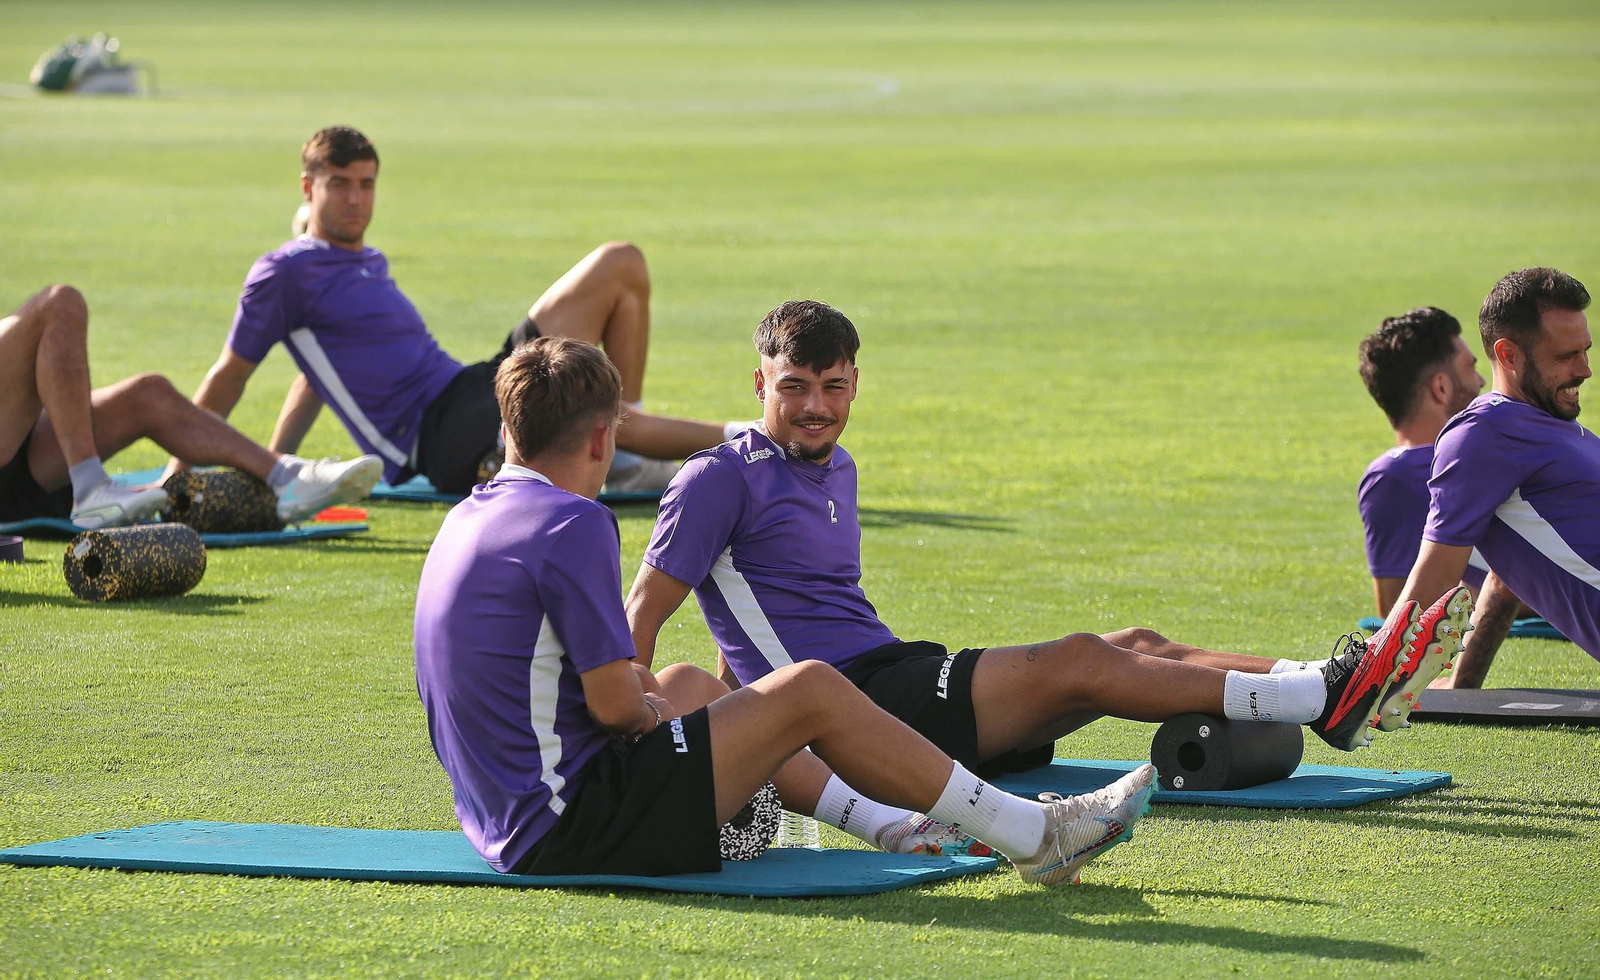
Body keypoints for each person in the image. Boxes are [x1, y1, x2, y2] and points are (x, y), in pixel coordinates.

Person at [413, 336, 1158, 887]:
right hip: (567, 826)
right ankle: (1036, 836)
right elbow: (610, 708)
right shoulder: (571, 522)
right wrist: (644, 715)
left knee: (693, 684)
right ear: (606, 436)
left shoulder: (467, 517)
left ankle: (893, 827)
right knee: (806, 688)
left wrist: (657, 706)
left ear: (508, 428)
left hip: (497, 818)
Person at [626, 300, 1474, 764]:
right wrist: (653, 741)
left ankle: (1334, 683)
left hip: (894, 673)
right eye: (795, 387)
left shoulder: (834, 468)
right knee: (1080, 660)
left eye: (834, 386)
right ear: (759, 382)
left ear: (856, 383)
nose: (816, 406)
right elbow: (640, 623)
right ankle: (1328, 695)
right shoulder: (718, 478)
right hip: (852, 708)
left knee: (1137, 641)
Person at [178, 125, 745, 497]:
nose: (356, 200)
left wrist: (283, 460)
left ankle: (624, 455)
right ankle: (752, 436)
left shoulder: (363, 259)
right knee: (591, 403)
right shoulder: (283, 274)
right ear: (308, 187)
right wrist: (181, 475)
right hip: (445, 436)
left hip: (472, 382)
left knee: (621, 264)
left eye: (367, 185)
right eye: (339, 185)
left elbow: (316, 373)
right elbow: (229, 375)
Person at [1, 284, 380, 529]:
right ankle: (89, 488)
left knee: (149, 392)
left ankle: (287, 479)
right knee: (60, 302)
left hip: (24, 463)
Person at [1395, 268, 1597, 689]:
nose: (1585, 370)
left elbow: (1513, 568)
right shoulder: (1483, 436)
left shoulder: (1547, 422)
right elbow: (1435, 575)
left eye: (1586, 351)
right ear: (1507, 354)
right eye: (1565, 357)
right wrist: (1376, 672)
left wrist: (1463, 684)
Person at [1356, 307, 1495, 617]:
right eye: (1471, 369)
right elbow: (1401, 615)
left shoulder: (1393, 475)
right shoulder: (1394, 477)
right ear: (1441, 387)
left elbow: (1391, 611)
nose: (1482, 381)